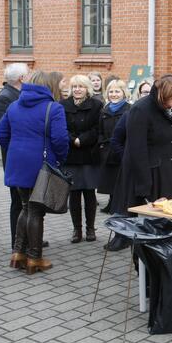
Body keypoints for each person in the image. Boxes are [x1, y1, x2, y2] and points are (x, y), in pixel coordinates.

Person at [0, 71, 69, 274]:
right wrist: (60, 159)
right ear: (49, 87)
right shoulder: (53, 108)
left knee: (25, 207)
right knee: (36, 210)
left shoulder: (14, 105)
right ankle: (34, 258)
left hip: (17, 163)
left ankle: (18, 254)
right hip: (41, 164)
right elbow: (61, 140)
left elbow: (0, 134)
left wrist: (16, 149)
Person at [112, 75, 172, 215]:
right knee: (147, 225)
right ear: (162, 95)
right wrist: (144, 188)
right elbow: (137, 151)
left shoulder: (171, 109)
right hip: (149, 177)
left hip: (170, 174)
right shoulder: (140, 109)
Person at [61, 75, 103, 243]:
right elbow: (60, 127)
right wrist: (73, 140)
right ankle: (76, 230)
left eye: (81, 86)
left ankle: (90, 229)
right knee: (74, 194)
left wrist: (82, 139)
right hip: (71, 155)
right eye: (75, 86)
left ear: (87, 88)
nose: (77, 89)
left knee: (89, 193)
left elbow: (98, 129)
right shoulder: (63, 105)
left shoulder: (97, 105)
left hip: (89, 155)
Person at [0, 62, 29, 249]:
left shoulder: (18, 95)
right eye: (27, 75)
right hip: (15, 158)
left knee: (26, 201)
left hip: (22, 156)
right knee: (18, 200)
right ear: (21, 78)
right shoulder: (4, 98)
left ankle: (29, 236)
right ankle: (18, 241)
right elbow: (3, 133)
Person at [96, 79, 131, 214]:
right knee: (109, 179)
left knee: (120, 179)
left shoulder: (129, 109)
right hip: (107, 150)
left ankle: (119, 205)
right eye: (111, 91)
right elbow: (100, 130)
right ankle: (111, 203)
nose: (114, 94)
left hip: (121, 150)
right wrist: (101, 144)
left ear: (123, 93)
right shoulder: (104, 110)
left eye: (117, 91)